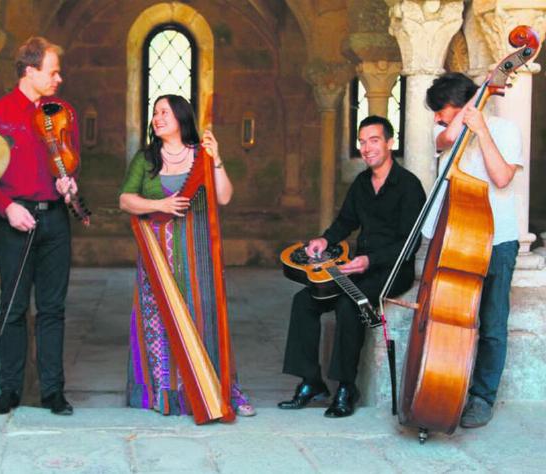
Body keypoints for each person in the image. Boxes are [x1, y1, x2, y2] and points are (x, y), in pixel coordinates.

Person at [278, 116, 426, 418]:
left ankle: (347, 386)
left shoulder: (409, 186)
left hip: (392, 269)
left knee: (349, 303)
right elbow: (346, 221)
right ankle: (311, 381)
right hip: (358, 265)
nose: (366, 147)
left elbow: (408, 244)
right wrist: (324, 239)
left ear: (389, 143)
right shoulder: (361, 183)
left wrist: (370, 261)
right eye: (362, 141)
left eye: (373, 140)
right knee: (304, 301)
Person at [119, 94, 255, 420]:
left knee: (205, 319)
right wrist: (160, 206)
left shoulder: (202, 156)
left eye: (164, 112)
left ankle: (221, 391)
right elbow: (125, 200)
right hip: (157, 255)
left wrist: (217, 158)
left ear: (181, 117)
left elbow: (223, 197)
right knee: (157, 320)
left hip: (198, 257)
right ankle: (163, 393)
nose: (157, 117)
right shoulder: (146, 159)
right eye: (154, 113)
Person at [0, 37, 80, 416]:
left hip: (54, 217)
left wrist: (69, 182)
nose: (59, 78)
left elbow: (71, 159)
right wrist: (6, 208)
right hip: (14, 219)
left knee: (53, 308)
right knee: (14, 308)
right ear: (29, 71)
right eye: (52, 71)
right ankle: (10, 390)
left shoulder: (63, 110)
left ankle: (53, 392)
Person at [425, 72, 522, 429]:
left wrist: (481, 130)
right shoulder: (446, 133)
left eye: (441, 109)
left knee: (493, 324)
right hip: (454, 241)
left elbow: (501, 177)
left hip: (498, 240)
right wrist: (472, 105)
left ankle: (482, 397)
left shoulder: (506, 130)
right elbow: (445, 138)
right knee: (448, 320)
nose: (437, 116)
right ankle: (442, 387)